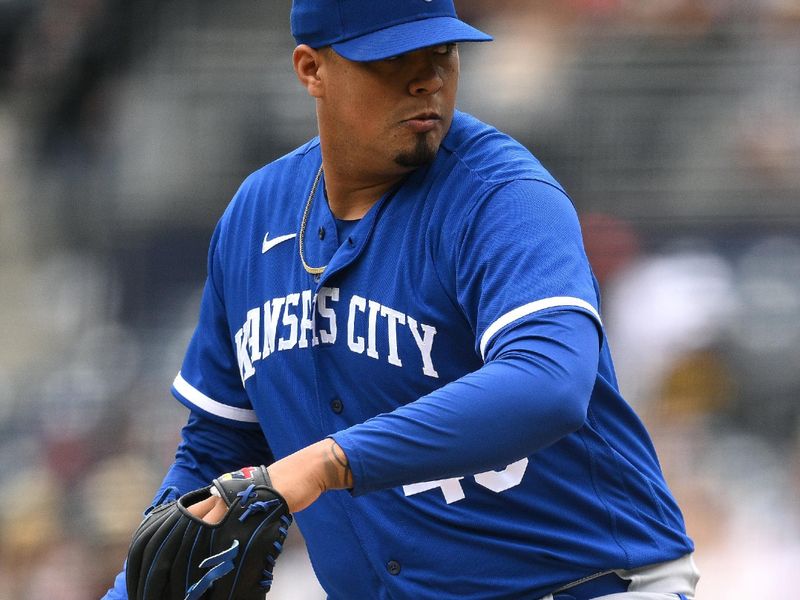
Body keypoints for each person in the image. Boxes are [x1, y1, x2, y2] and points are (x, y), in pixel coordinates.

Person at [105, 1, 699, 598]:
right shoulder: (255, 217)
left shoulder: (502, 196)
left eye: (441, 52)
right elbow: (218, 445)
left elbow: (549, 382)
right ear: (311, 69)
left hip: (589, 583)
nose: (428, 80)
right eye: (392, 57)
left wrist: (326, 461)